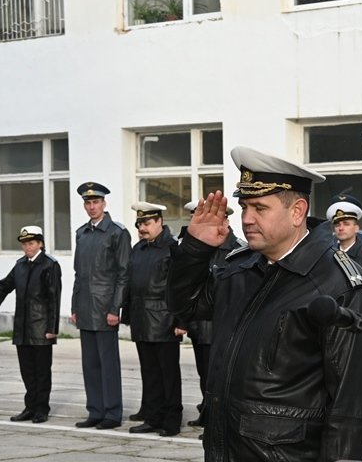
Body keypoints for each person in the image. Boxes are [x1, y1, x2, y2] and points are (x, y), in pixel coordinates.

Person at [168, 146, 362, 462]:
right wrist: (195, 250)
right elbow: (186, 305)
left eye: (260, 209)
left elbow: (351, 408)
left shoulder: (337, 285)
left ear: (297, 212)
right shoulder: (241, 268)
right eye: (244, 207)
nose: (247, 219)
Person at [0, 225, 62, 424]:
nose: (28, 247)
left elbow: (54, 298)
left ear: (40, 244)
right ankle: (30, 407)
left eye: (32, 243)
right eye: (25, 244)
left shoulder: (49, 265)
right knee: (27, 370)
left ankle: (41, 409)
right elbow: (3, 287)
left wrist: (52, 329)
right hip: (23, 327)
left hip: (41, 326)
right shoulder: (20, 265)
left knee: (42, 371)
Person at [70, 182, 130, 430]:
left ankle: (112, 413)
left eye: (96, 202)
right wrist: (74, 306)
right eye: (88, 203)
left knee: (108, 364)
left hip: (105, 307)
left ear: (104, 204)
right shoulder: (81, 233)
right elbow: (78, 273)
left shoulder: (117, 232)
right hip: (85, 306)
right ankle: (95, 410)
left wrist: (115, 308)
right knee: (90, 364)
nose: (92, 206)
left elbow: (124, 273)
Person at [179, 200, 243, 430]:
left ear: (226, 219)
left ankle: (218, 421)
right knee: (204, 374)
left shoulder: (238, 249)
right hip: (200, 326)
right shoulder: (202, 247)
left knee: (221, 379)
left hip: (222, 328)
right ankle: (207, 414)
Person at [122, 202, 185, 437]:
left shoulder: (172, 248)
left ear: (160, 222)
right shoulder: (138, 249)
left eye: (147, 223)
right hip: (141, 320)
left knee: (168, 375)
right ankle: (152, 417)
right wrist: (127, 314)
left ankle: (171, 421)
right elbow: (130, 284)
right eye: (139, 224)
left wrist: (181, 321)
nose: (142, 228)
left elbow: (180, 287)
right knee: (149, 373)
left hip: (164, 321)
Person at [326, 200, 362, 319]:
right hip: (336, 319)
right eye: (337, 225)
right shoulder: (328, 256)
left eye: (346, 223)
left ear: (356, 228)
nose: (341, 228)